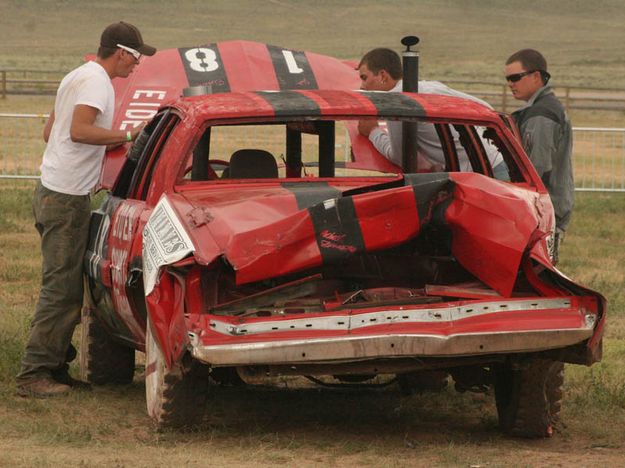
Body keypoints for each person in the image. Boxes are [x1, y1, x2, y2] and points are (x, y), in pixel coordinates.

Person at [16, 22, 156, 398]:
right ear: (122, 52)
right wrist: (129, 134)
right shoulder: (97, 83)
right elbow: (78, 130)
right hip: (66, 196)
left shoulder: (77, 75)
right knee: (61, 290)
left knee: (64, 286)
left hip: (53, 189)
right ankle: (35, 374)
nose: (137, 66)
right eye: (137, 57)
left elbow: (52, 132)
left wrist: (97, 146)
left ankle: (57, 366)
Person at [357, 48, 509, 180]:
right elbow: (484, 107)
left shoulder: (396, 103)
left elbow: (401, 158)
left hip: (479, 175)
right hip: (497, 163)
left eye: (364, 78)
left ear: (383, 75)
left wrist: (373, 132)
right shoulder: (430, 87)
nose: (362, 86)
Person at [505, 49, 573, 262]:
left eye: (515, 77)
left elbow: (536, 168)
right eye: (508, 78)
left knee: (539, 273)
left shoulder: (541, 115)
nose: (510, 83)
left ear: (536, 76)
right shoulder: (542, 109)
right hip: (546, 209)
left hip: (542, 213)